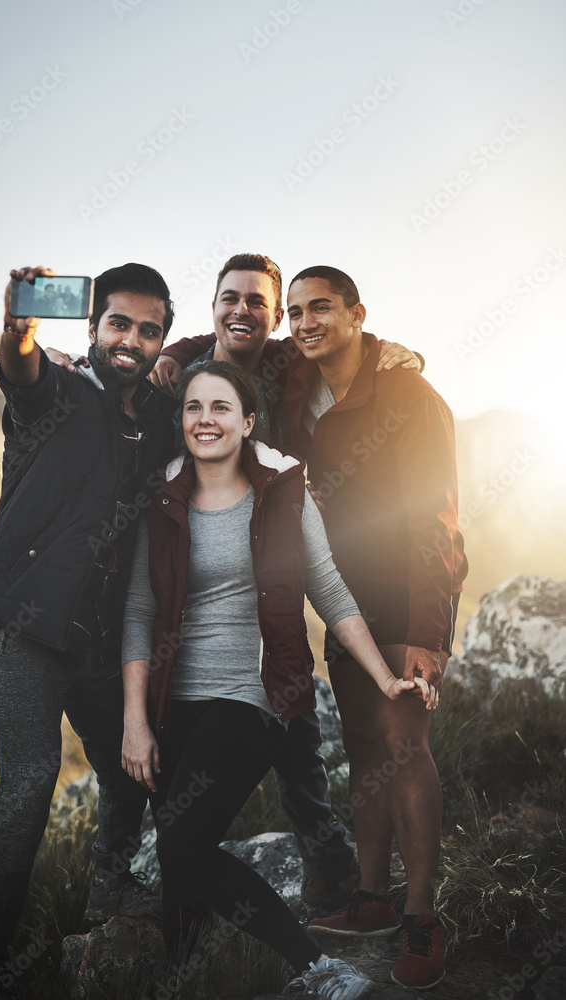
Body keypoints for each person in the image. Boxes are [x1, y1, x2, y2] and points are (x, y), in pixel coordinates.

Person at [120, 359, 436, 999]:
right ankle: (183, 978)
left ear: (248, 421)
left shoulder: (284, 489)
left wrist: (382, 677)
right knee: (185, 867)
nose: (205, 420)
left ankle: (318, 970)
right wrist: (134, 722)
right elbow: (138, 611)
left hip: (256, 695)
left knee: (181, 847)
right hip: (170, 705)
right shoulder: (162, 497)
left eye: (220, 408)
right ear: (181, 419)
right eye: (193, 408)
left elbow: (329, 588)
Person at [136, 252, 423, 914]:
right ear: (212, 307)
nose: (243, 310)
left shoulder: (282, 368)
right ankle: (144, 876)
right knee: (157, 737)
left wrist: (385, 351)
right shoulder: (180, 373)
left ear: (273, 318)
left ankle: (327, 867)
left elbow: (342, 348)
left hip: (269, 588)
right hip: (189, 591)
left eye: (258, 302)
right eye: (229, 298)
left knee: (293, 729)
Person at [0, 263, 177, 1000]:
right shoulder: (58, 391)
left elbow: (229, 369)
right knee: (28, 783)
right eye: (118, 323)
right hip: (22, 617)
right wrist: (20, 327)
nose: (132, 339)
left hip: (96, 633)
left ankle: (107, 893)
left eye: (149, 330)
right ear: (91, 329)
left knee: (128, 770)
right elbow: (21, 373)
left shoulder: (154, 416)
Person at [282, 266, 467, 991]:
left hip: (406, 591)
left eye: (320, 307)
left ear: (358, 314)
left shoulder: (408, 394)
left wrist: (426, 628)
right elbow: (231, 340)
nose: (304, 321)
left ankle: (422, 916)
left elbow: (435, 514)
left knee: (402, 739)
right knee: (362, 745)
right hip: (344, 595)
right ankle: (370, 900)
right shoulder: (297, 383)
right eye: (293, 311)